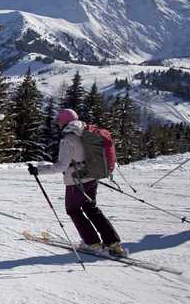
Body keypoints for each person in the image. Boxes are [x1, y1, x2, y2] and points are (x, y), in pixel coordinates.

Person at [28, 109, 125, 255]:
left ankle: (92, 243)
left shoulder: (68, 139)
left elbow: (61, 166)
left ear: (65, 121)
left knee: (73, 210)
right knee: (91, 208)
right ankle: (113, 242)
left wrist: (38, 170)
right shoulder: (85, 132)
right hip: (92, 175)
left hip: (76, 180)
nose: (58, 123)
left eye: (59, 120)